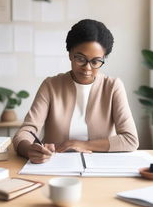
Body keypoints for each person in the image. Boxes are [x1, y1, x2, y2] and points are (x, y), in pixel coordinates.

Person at [13, 19, 139, 164]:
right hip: (53, 165)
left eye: (96, 61)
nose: (87, 68)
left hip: (100, 167)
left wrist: (81, 144)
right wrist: (29, 149)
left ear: (103, 59)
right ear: (70, 54)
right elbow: (25, 132)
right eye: (80, 58)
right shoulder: (51, 85)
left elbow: (131, 140)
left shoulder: (112, 87)